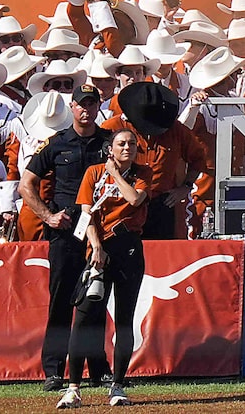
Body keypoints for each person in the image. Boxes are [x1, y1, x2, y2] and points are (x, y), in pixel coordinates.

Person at [26, 89, 112, 401]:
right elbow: (26, 184)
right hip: (65, 231)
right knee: (61, 300)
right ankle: (53, 370)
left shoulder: (109, 142)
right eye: (81, 104)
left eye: (92, 104)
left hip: (100, 231)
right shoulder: (56, 143)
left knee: (96, 300)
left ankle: (98, 368)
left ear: (98, 106)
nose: (86, 110)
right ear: (72, 107)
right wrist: (47, 216)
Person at [66, 126, 152, 408]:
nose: (127, 148)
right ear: (110, 148)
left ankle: (117, 385)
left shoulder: (142, 173)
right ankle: (74, 386)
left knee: (124, 317)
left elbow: (134, 199)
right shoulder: (93, 173)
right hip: (99, 249)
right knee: (85, 315)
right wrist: (97, 247)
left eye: (132, 144)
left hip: (128, 247)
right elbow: (86, 212)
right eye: (121, 144)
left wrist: (115, 174)